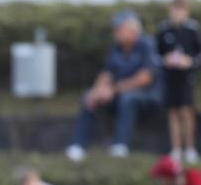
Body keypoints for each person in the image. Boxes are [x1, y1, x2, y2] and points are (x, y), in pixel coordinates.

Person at [66, 10, 162, 161]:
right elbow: (107, 73)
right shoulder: (116, 48)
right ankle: (78, 146)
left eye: (119, 30)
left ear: (132, 30)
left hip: (148, 95)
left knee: (127, 98)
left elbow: (145, 78)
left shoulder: (147, 45)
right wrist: (97, 91)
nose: (115, 34)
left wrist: (113, 89)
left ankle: (120, 146)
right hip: (119, 93)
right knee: (88, 97)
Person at [156, 0, 201, 163]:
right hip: (170, 77)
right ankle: (176, 149)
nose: (178, 14)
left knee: (187, 111)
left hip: (186, 77)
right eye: (175, 10)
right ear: (171, 10)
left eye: (181, 10)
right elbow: (156, 55)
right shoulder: (163, 29)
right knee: (173, 112)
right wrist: (165, 60)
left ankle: (190, 148)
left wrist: (190, 62)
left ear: (186, 12)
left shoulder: (193, 29)